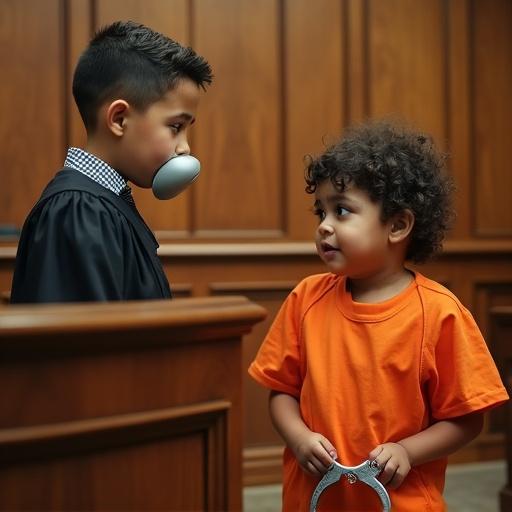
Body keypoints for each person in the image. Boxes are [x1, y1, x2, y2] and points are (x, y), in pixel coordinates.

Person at [248, 121, 509, 511]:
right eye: (320, 210)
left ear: (398, 225)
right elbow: (281, 393)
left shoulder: (441, 314)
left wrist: (408, 451)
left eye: (342, 210)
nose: (323, 225)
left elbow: (467, 420)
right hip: (314, 499)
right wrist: (299, 437)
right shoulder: (306, 299)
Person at [10, 21, 212, 303]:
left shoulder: (100, 204)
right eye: (176, 127)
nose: (185, 148)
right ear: (119, 119)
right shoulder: (78, 210)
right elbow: (87, 341)